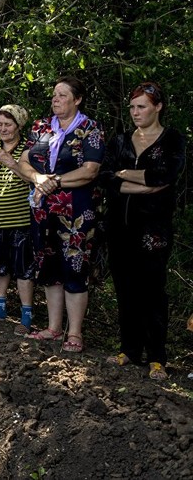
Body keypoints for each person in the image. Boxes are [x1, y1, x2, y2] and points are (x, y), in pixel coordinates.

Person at [100, 82, 185, 380]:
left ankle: (157, 357)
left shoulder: (171, 139)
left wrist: (126, 176)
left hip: (153, 230)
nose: (135, 112)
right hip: (119, 227)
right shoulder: (120, 140)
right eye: (132, 107)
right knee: (125, 288)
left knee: (152, 290)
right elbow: (107, 177)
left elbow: (165, 176)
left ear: (158, 106)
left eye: (142, 107)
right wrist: (140, 183)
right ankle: (130, 349)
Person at [19, 76, 104, 353]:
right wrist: (37, 177)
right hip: (43, 210)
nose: (55, 99)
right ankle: (54, 328)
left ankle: (75, 332)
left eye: (62, 95)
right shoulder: (41, 127)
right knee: (48, 266)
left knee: (74, 266)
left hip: (76, 210)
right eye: (54, 95)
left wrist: (53, 181)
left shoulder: (90, 129)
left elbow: (90, 170)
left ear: (77, 100)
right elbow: (23, 162)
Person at [0, 104, 35, 335]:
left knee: (23, 268)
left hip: (21, 218)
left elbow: (34, 179)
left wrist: (12, 163)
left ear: (19, 125)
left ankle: (26, 315)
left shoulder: (30, 146)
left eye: (8, 125)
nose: (3, 129)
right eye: (0, 124)